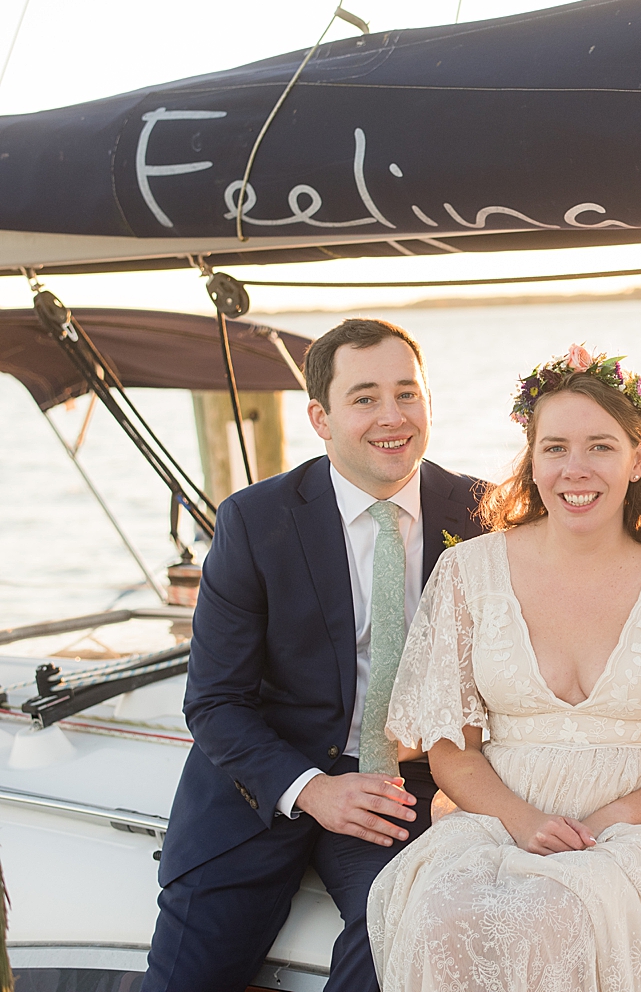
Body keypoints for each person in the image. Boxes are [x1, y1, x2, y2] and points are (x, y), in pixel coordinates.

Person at [368, 345, 641, 991]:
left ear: (638, 459)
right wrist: (525, 824)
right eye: (554, 447)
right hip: (504, 820)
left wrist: (612, 821)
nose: (574, 469)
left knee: (561, 917)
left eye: (600, 447)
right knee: (437, 915)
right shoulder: (468, 572)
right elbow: (453, 752)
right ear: (531, 458)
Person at [145, 318, 491, 992]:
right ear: (320, 417)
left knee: (398, 923)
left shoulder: (482, 514)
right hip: (260, 788)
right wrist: (312, 789)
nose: (392, 417)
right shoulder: (254, 520)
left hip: (400, 783)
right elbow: (214, 701)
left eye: (407, 393)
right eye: (364, 397)